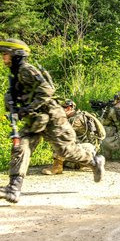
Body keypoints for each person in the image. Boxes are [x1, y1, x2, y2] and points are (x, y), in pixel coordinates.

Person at [0, 39, 105, 203]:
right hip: (35, 119)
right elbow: (14, 95)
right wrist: (11, 102)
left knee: (65, 151)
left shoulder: (27, 69)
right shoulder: (16, 74)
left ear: (16, 55)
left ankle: (94, 161)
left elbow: (47, 90)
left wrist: (29, 107)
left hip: (52, 117)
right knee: (21, 146)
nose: (3, 58)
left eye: (6, 54)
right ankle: (14, 188)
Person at [42, 99, 106, 175]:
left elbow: (61, 133)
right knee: (67, 159)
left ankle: (57, 167)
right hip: (84, 147)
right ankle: (85, 164)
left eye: (60, 109)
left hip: (87, 148)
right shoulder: (73, 117)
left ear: (69, 108)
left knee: (62, 140)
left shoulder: (77, 119)